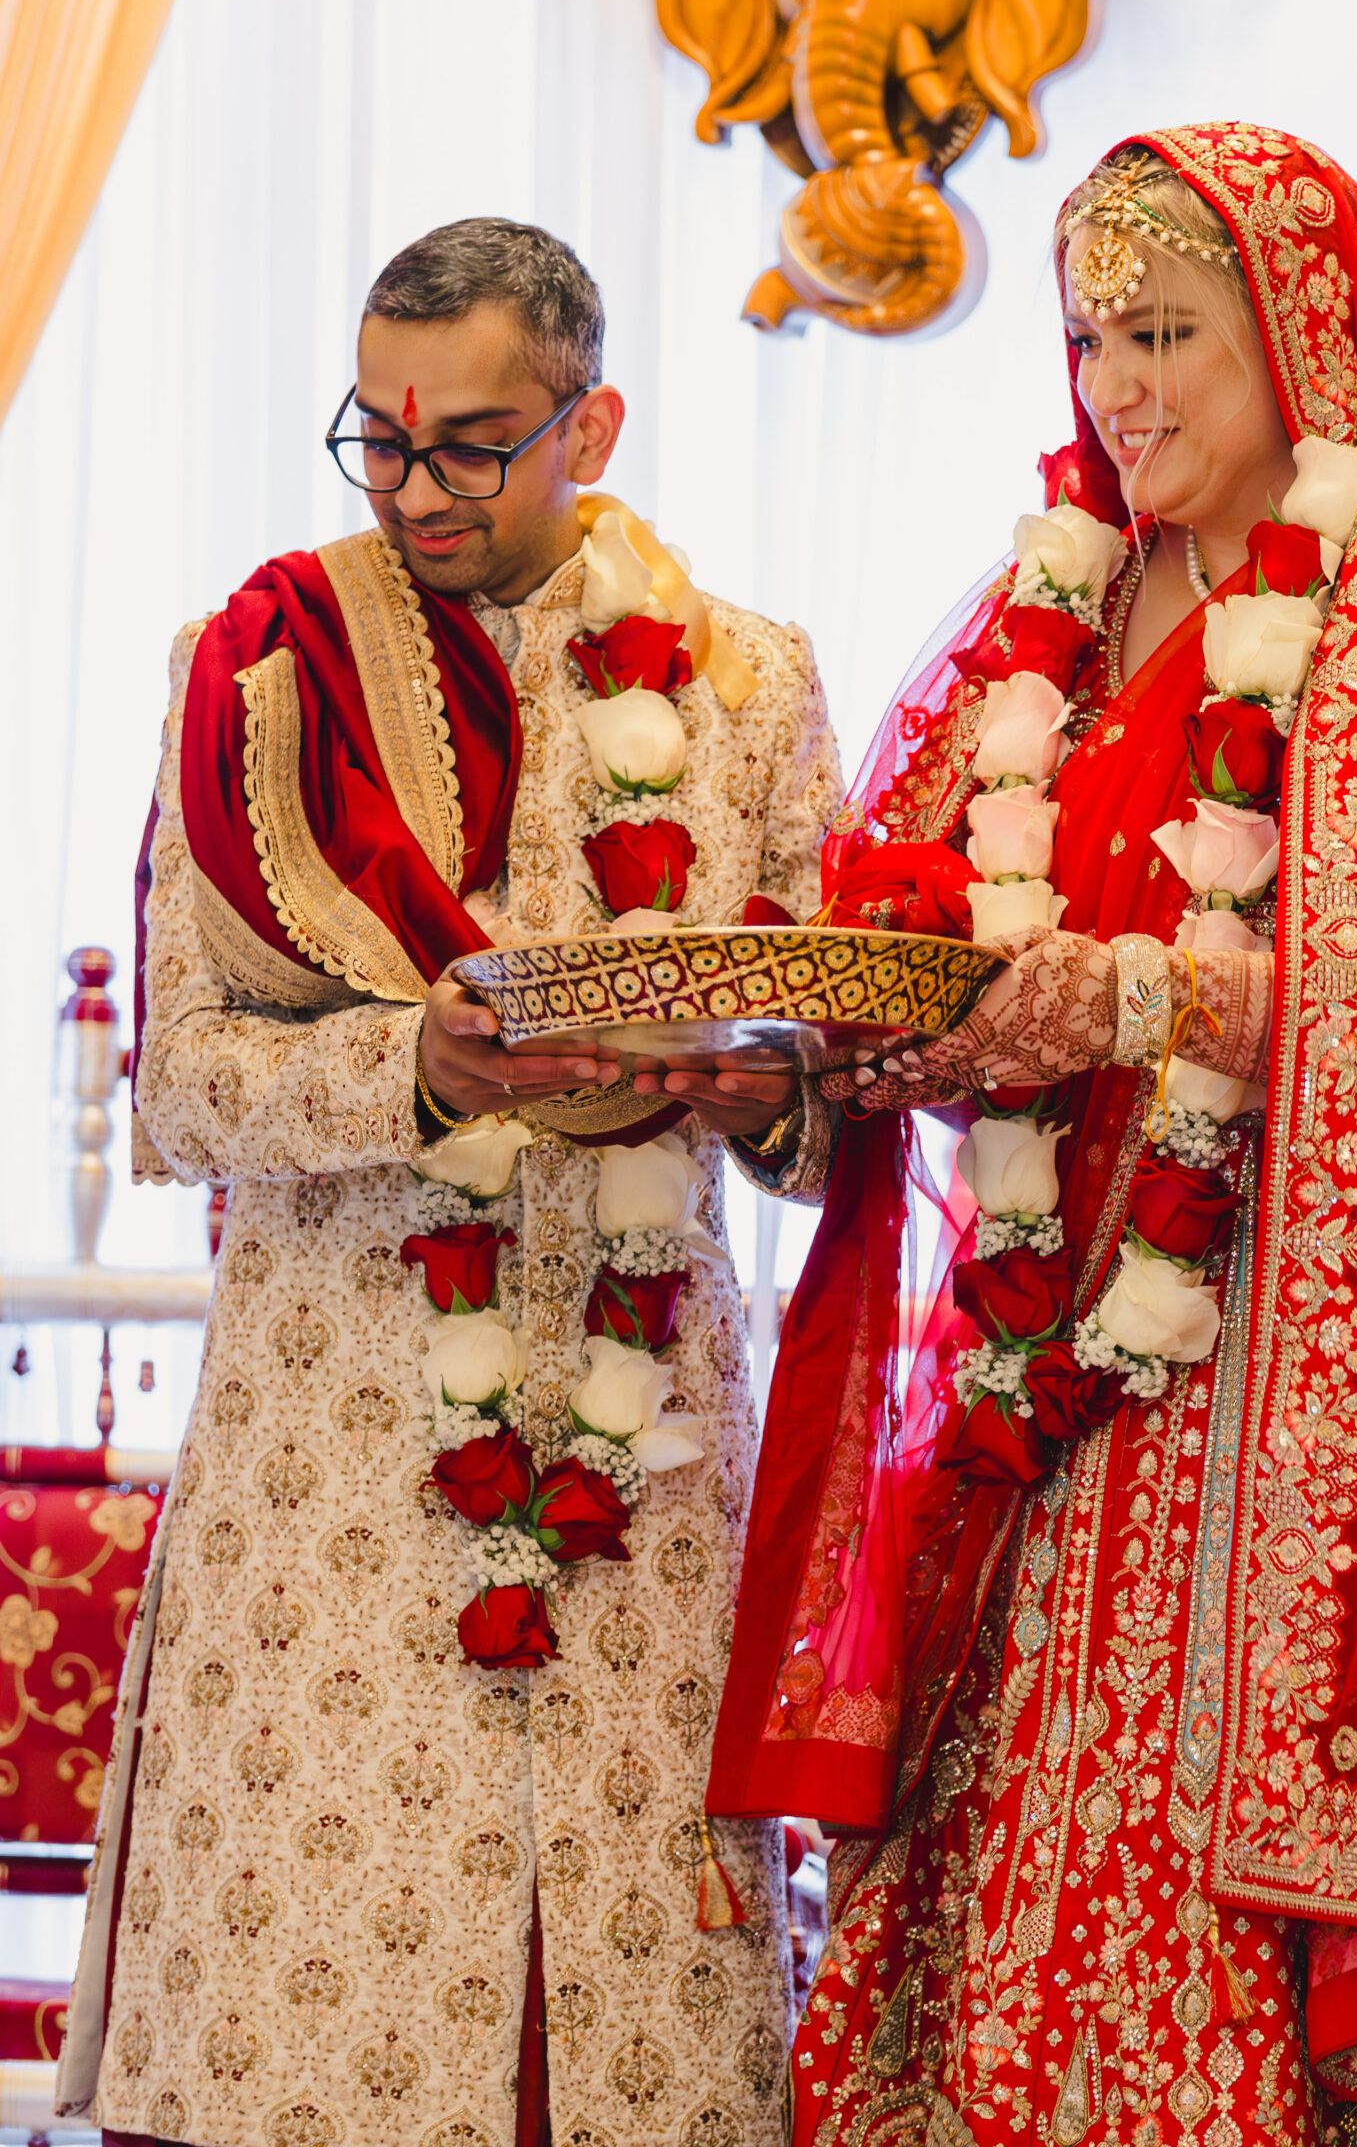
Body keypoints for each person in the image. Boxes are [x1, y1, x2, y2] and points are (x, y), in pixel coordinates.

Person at [707, 129, 1357, 2145]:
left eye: (1167, 334)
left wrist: (1148, 995)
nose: (1121, 388)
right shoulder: (1038, 617)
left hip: (1315, 1388)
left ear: (1301, 340)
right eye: (1091, 339)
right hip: (1043, 1390)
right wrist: (818, 1078)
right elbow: (927, 934)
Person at [58, 217, 842, 2147]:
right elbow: (188, 1091)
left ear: (596, 423)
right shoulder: (253, 675)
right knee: (306, 2040)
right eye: (379, 440)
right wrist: (415, 1065)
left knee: (629, 2044)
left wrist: (744, 1090)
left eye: (473, 445)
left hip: (645, 1443)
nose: (415, 491)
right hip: (334, 1462)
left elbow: (840, 1099)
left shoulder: (744, 686)